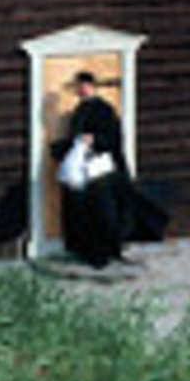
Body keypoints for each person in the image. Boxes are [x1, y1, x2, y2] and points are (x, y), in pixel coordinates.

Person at [56, 71, 137, 269]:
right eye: (78, 86)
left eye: (85, 85)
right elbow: (76, 136)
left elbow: (113, 138)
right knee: (85, 211)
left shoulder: (104, 110)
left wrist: (96, 140)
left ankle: (107, 253)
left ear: (92, 86)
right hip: (86, 169)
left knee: (105, 211)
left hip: (104, 170)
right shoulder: (79, 110)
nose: (81, 89)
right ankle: (88, 252)